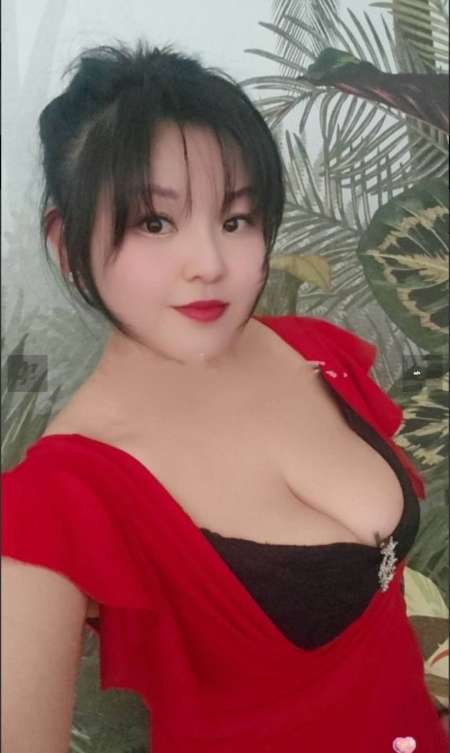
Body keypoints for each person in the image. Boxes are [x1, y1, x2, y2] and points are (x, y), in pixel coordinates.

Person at [2, 39, 448, 753]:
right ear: (66, 244)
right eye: (154, 222)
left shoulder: (314, 352)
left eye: (236, 219)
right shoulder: (56, 500)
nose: (209, 263)